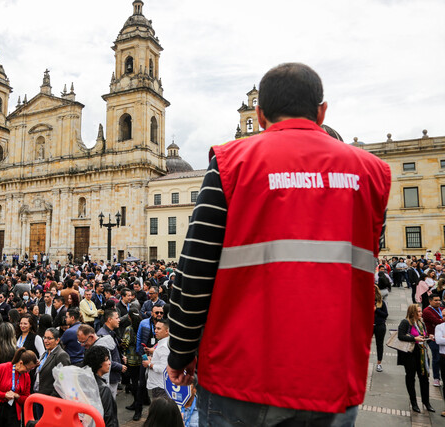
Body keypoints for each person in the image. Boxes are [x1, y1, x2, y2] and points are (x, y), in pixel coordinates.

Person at [167, 63, 391, 425]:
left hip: (240, 377)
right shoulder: (372, 174)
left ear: (259, 113)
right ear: (321, 112)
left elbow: (194, 274)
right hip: (332, 376)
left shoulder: (229, 165)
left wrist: (180, 353)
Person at [0, 347, 38, 427]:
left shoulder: (26, 376)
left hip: (12, 411)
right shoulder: (2, 368)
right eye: (28, 369)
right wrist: (4, 395)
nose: (28, 371)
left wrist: (17, 396)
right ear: (21, 363)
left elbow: (26, 397)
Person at [397, 304, 435, 413]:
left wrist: (428, 337)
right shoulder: (406, 322)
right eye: (418, 311)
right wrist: (414, 338)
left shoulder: (421, 323)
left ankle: (426, 402)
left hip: (422, 353)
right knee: (411, 378)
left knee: (424, 379)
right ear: (412, 312)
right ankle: (413, 402)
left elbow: (423, 336)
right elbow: (400, 336)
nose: (421, 313)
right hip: (410, 354)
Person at [83, 345, 119, 427]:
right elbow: (109, 419)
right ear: (98, 364)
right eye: (106, 360)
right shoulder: (103, 389)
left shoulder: (84, 382)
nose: (109, 363)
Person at [142, 318, 170, 399]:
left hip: (160, 386)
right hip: (159, 385)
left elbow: (164, 368)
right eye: (155, 328)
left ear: (167, 331)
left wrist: (149, 364)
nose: (155, 331)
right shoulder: (163, 343)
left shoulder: (164, 346)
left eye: (159, 329)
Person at [422, 294, 444, 386]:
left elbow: (439, 320)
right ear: (430, 301)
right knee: (436, 358)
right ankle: (436, 378)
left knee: (442, 359)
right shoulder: (427, 311)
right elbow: (437, 321)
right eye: (436, 300)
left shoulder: (442, 309)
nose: (438, 302)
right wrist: (442, 319)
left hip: (442, 338)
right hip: (432, 338)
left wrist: (441, 318)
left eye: (439, 300)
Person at [373, 286, 388, 373]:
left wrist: (376, 310)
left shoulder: (381, 302)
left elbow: (385, 314)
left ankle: (379, 363)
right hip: (369, 325)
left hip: (379, 326)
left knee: (379, 344)